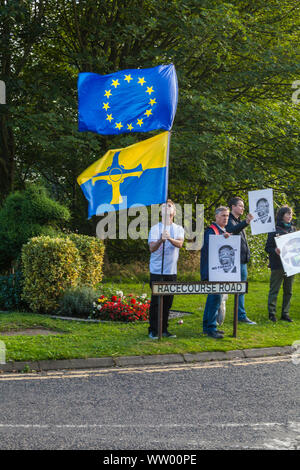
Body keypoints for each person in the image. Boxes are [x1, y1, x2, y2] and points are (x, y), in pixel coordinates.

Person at [148, 199, 184, 339]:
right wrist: (160, 240)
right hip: (157, 270)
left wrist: (169, 239)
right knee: (157, 302)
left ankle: (164, 330)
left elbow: (180, 244)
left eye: (170, 206)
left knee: (168, 302)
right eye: (164, 206)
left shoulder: (178, 228)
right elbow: (152, 248)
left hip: (171, 271)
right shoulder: (155, 228)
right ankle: (153, 330)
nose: (167, 208)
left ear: (174, 212)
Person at [200, 206, 230, 339]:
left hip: (218, 272)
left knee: (214, 299)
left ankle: (208, 326)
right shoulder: (211, 231)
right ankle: (211, 327)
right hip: (212, 272)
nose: (225, 218)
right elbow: (211, 246)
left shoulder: (222, 231)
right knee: (214, 298)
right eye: (223, 215)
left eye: (227, 216)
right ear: (216, 217)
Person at [225, 196, 256, 325]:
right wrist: (246, 223)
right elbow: (231, 231)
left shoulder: (238, 221)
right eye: (240, 206)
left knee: (241, 289)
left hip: (242, 260)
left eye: (243, 206)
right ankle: (238, 315)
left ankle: (240, 315)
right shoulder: (229, 220)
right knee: (230, 288)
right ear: (233, 207)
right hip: (234, 262)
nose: (243, 208)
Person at [265, 206, 296, 322]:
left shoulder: (293, 229)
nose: (290, 216)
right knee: (274, 290)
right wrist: (275, 251)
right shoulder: (274, 229)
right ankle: (272, 314)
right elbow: (267, 247)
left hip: (291, 265)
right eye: (288, 214)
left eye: (291, 214)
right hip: (277, 265)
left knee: (289, 291)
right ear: (282, 215)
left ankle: (285, 313)